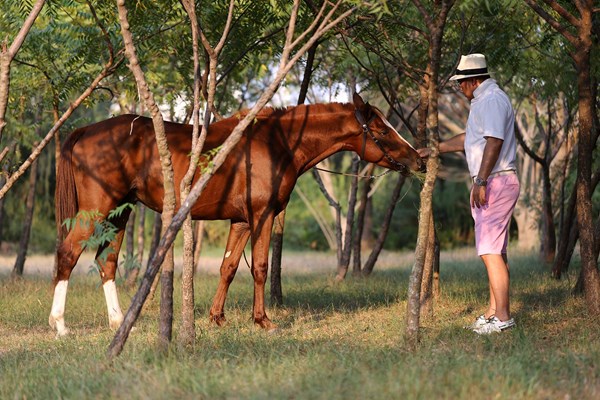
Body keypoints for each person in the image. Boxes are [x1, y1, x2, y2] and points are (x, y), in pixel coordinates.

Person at [417, 53, 520, 334]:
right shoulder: (482, 102)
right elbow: (469, 139)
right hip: (491, 181)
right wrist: (434, 149)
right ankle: (493, 311)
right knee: (493, 251)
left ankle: (503, 317)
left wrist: (482, 180)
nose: (459, 88)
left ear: (473, 80)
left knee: (489, 251)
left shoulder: (493, 100)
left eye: (460, 83)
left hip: (495, 181)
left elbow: (494, 141)